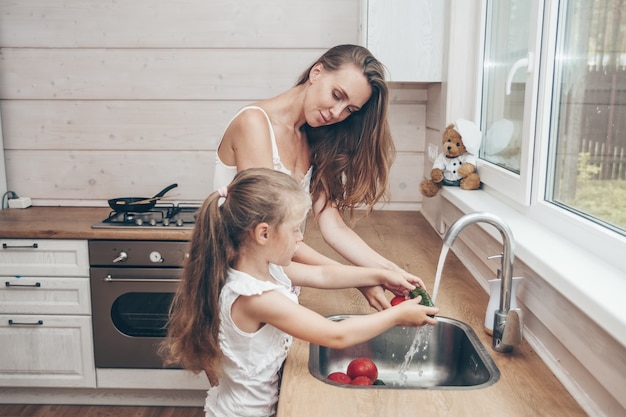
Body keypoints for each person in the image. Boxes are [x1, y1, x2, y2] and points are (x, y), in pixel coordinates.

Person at [161, 168, 438, 417]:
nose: (300, 237)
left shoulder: (262, 270)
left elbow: (322, 274)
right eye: (295, 228)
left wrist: (381, 274)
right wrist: (397, 315)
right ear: (263, 234)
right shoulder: (254, 297)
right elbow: (335, 335)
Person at [214, 44, 422, 310]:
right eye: (337, 95)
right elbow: (271, 231)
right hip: (241, 287)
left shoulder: (313, 139)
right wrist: (361, 277)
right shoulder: (253, 125)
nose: (337, 113)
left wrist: (391, 270)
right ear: (317, 72)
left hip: (280, 283)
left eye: (350, 110)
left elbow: (333, 226)